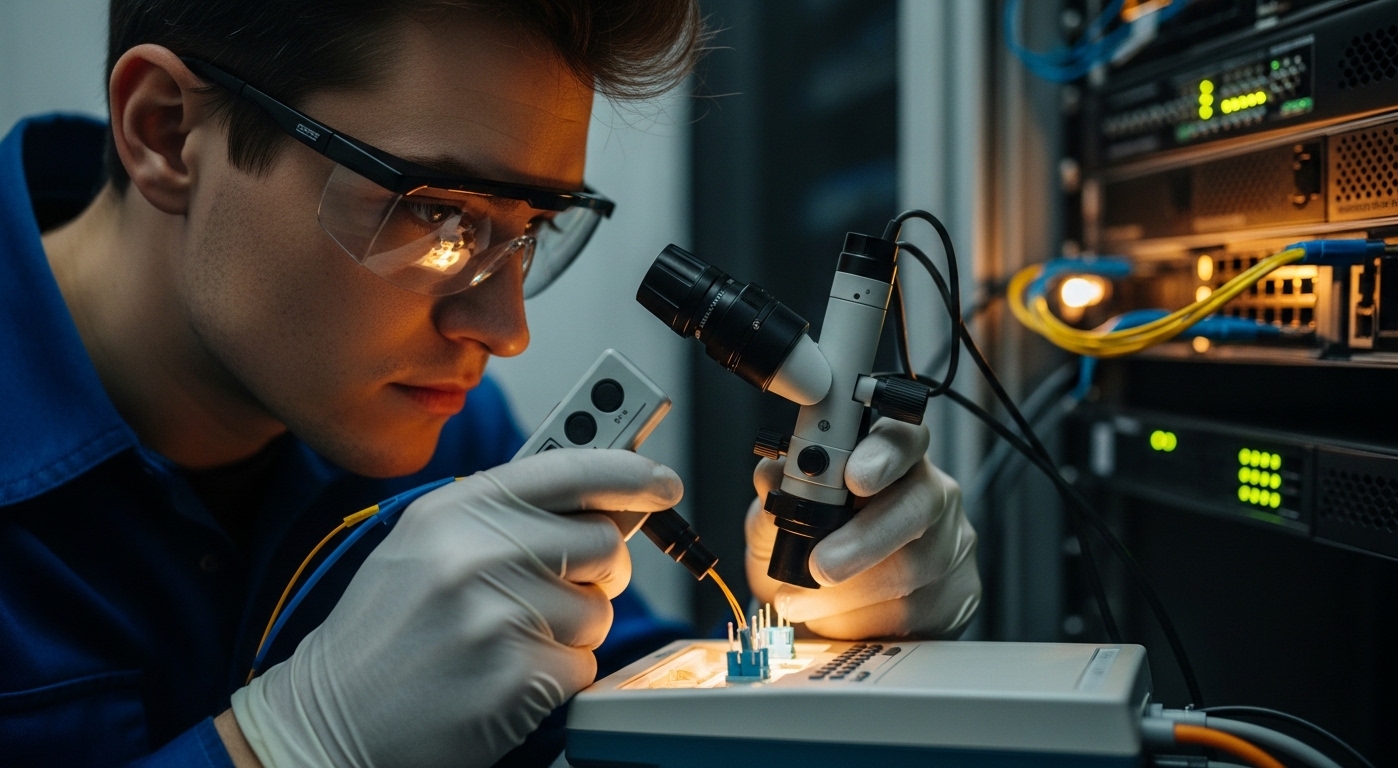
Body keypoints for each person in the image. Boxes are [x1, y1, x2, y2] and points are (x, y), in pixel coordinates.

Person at [0, 1, 982, 765]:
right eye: (438, 219)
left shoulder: (422, 428)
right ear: (167, 131)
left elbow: (613, 705)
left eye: (531, 229)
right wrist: (275, 749)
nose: (504, 333)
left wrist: (851, 645)